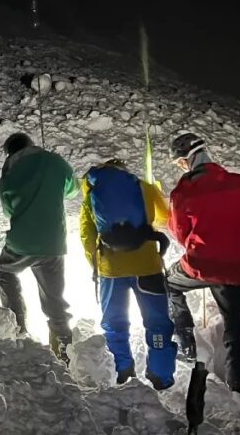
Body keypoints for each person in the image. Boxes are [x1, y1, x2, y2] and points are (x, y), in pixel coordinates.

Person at [166, 132, 240, 394]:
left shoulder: (183, 191)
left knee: (169, 284)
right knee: (235, 324)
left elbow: (180, 234)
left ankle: (186, 343)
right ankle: (239, 383)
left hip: (201, 265)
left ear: (186, 160)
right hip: (237, 269)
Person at [79, 159, 177, 389]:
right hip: (147, 267)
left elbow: (86, 234)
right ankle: (161, 375)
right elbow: (165, 217)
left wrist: (97, 265)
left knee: (114, 322)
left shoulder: (92, 194)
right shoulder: (142, 187)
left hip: (111, 270)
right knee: (157, 322)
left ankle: (123, 371)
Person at [0, 132, 77, 363]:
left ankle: (17, 327)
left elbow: (8, 209)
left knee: (3, 272)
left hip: (22, 241)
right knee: (54, 298)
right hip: (53, 243)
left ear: (10, 152)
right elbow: (72, 189)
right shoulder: (54, 161)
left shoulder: (9, 172)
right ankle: (63, 350)